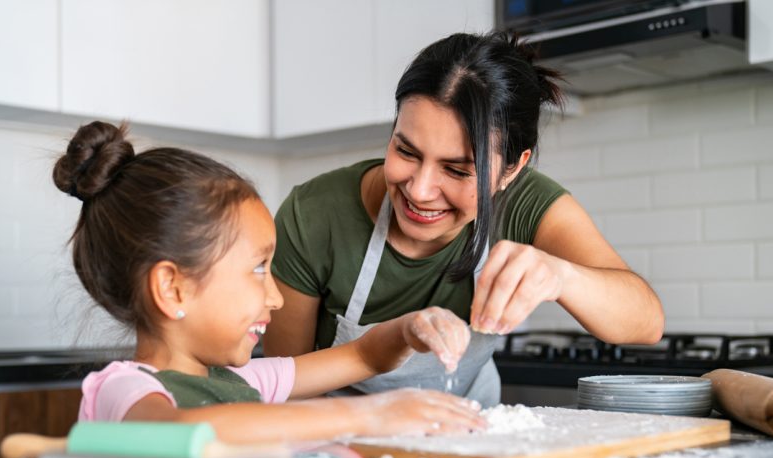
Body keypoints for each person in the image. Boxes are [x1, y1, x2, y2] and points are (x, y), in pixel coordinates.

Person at [264, 31, 665, 406]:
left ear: (512, 169)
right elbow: (284, 388)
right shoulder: (315, 214)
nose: (419, 189)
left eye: (457, 170)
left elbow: (645, 322)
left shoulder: (528, 204)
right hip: (341, 448)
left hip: (471, 434)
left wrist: (561, 276)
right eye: (406, 151)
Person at [52, 120, 485, 444]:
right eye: (259, 268)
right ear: (173, 288)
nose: (276, 298)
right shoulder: (125, 390)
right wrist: (366, 416)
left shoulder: (245, 382)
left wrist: (411, 329)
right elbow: (176, 434)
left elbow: (365, 357)